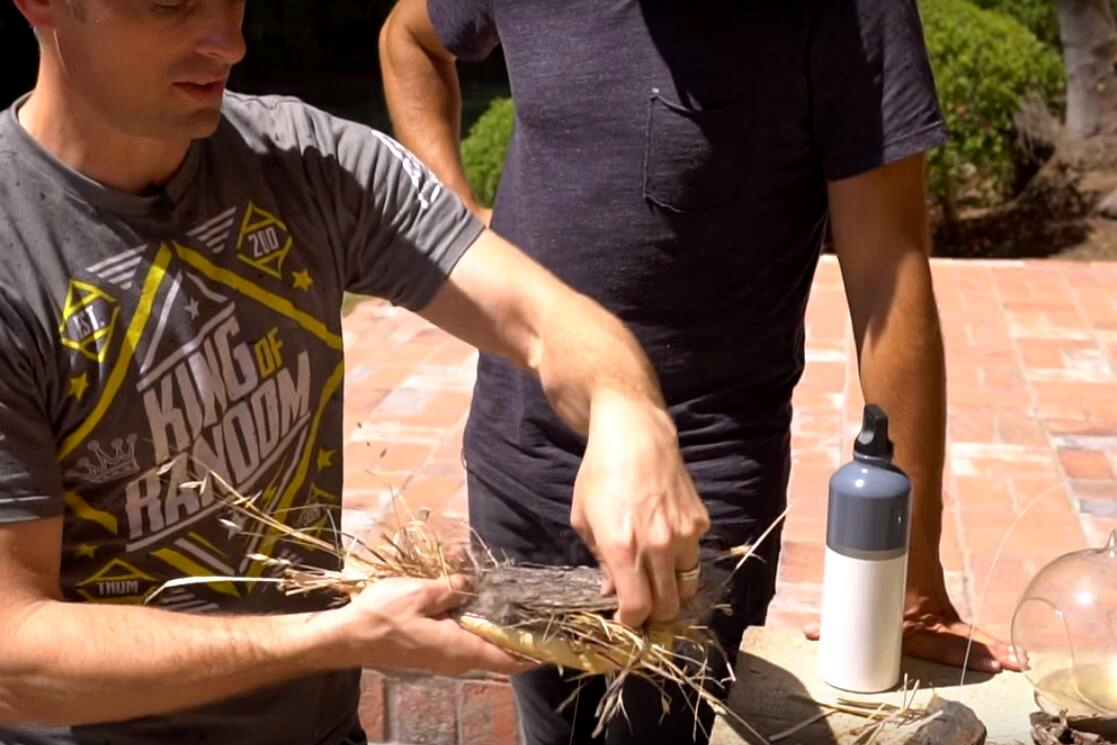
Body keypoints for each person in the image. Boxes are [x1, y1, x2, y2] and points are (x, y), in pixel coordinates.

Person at [0, 1, 712, 743]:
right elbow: (15, 656)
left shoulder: (305, 162)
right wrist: (333, 638)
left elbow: (543, 317)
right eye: (173, 3)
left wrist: (628, 411)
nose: (230, 41)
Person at [379, 2, 1024, 744]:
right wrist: (453, 213)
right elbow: (410, 39)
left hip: (700, 486)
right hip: (518, 453)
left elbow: (889, 283)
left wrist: (909, 581)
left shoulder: (848, 14)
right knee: (548, 728)